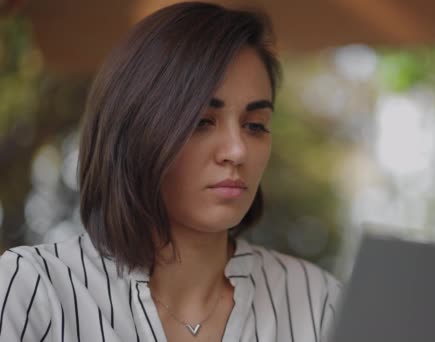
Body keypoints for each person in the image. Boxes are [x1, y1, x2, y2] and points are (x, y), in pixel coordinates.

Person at [0, 2, 341, 341]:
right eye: (202, 122)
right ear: (134, 130)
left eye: (254, 126)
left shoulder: (320, 303)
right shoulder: (34, 291)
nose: (237, 151)